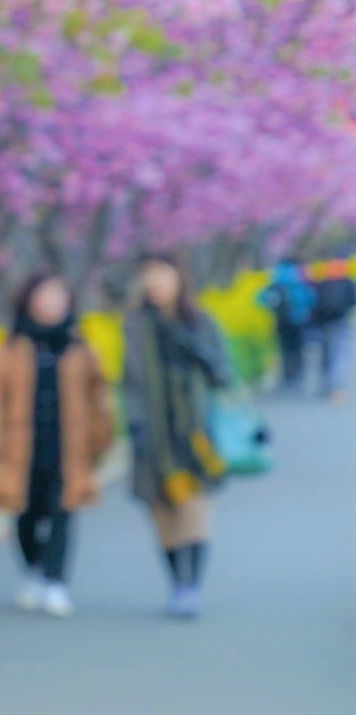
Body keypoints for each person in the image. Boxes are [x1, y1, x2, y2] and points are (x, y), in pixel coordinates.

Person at [0, 273, 112, 619]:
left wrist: (100, 438)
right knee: (25, 516)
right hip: (22, 449)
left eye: (57, 296)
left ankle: (56, 582)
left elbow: (99, 396)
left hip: (68, 449)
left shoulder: (79, 347)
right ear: (29, 300)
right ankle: (34, 569)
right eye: (44, 295)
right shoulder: (12, 347)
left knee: (63, 515)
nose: (51, 302)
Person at [126, 254, 232, 619]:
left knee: (195, 511)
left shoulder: (200, 323)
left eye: (161, 274)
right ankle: (177, 582)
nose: (153, 282)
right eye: (147, 275)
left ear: (179, 279)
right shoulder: (137, 326)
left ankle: (192, 586)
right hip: (153, 436)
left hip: (195, 437)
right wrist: (134, 425)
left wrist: (198, 351)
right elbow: (129, 382)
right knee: (164, 515)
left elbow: (223, 375)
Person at [259, 259, 318, 393]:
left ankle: (287, 377)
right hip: (298, 322)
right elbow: (311, 299)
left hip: (281, 322)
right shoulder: (298, 280)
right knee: (297, 349)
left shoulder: (276, 282)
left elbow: (260, 299)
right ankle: (298, 374)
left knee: (285, 349)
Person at [307, 259, 353, 402]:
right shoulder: (347, 282)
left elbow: (315, 303)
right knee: (338, 353)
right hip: (340, 321)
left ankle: (327, 384)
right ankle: (336, 385)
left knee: (326, 353)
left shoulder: (323, 283)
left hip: (324, 323)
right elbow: (352, 300)